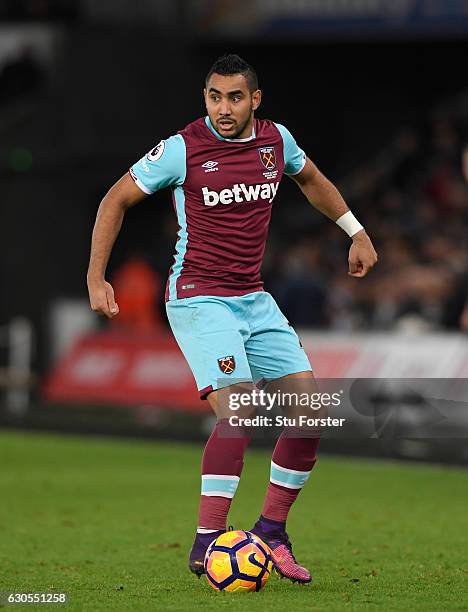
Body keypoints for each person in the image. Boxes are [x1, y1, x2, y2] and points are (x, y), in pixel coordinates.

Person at [87, 54, 378, 584]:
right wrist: (95, 276)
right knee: (242, 412)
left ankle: (271, 531)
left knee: (309, 415)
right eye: (215, 97)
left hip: (253, 297)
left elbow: (311, 179)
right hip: (198, 296)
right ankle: (207, 538)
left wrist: (354, 230)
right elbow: (115, 199)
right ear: (206, 98)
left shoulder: (276, 142)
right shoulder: (182, 149)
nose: (224, 108)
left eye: (235, 97)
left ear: (255, 100)